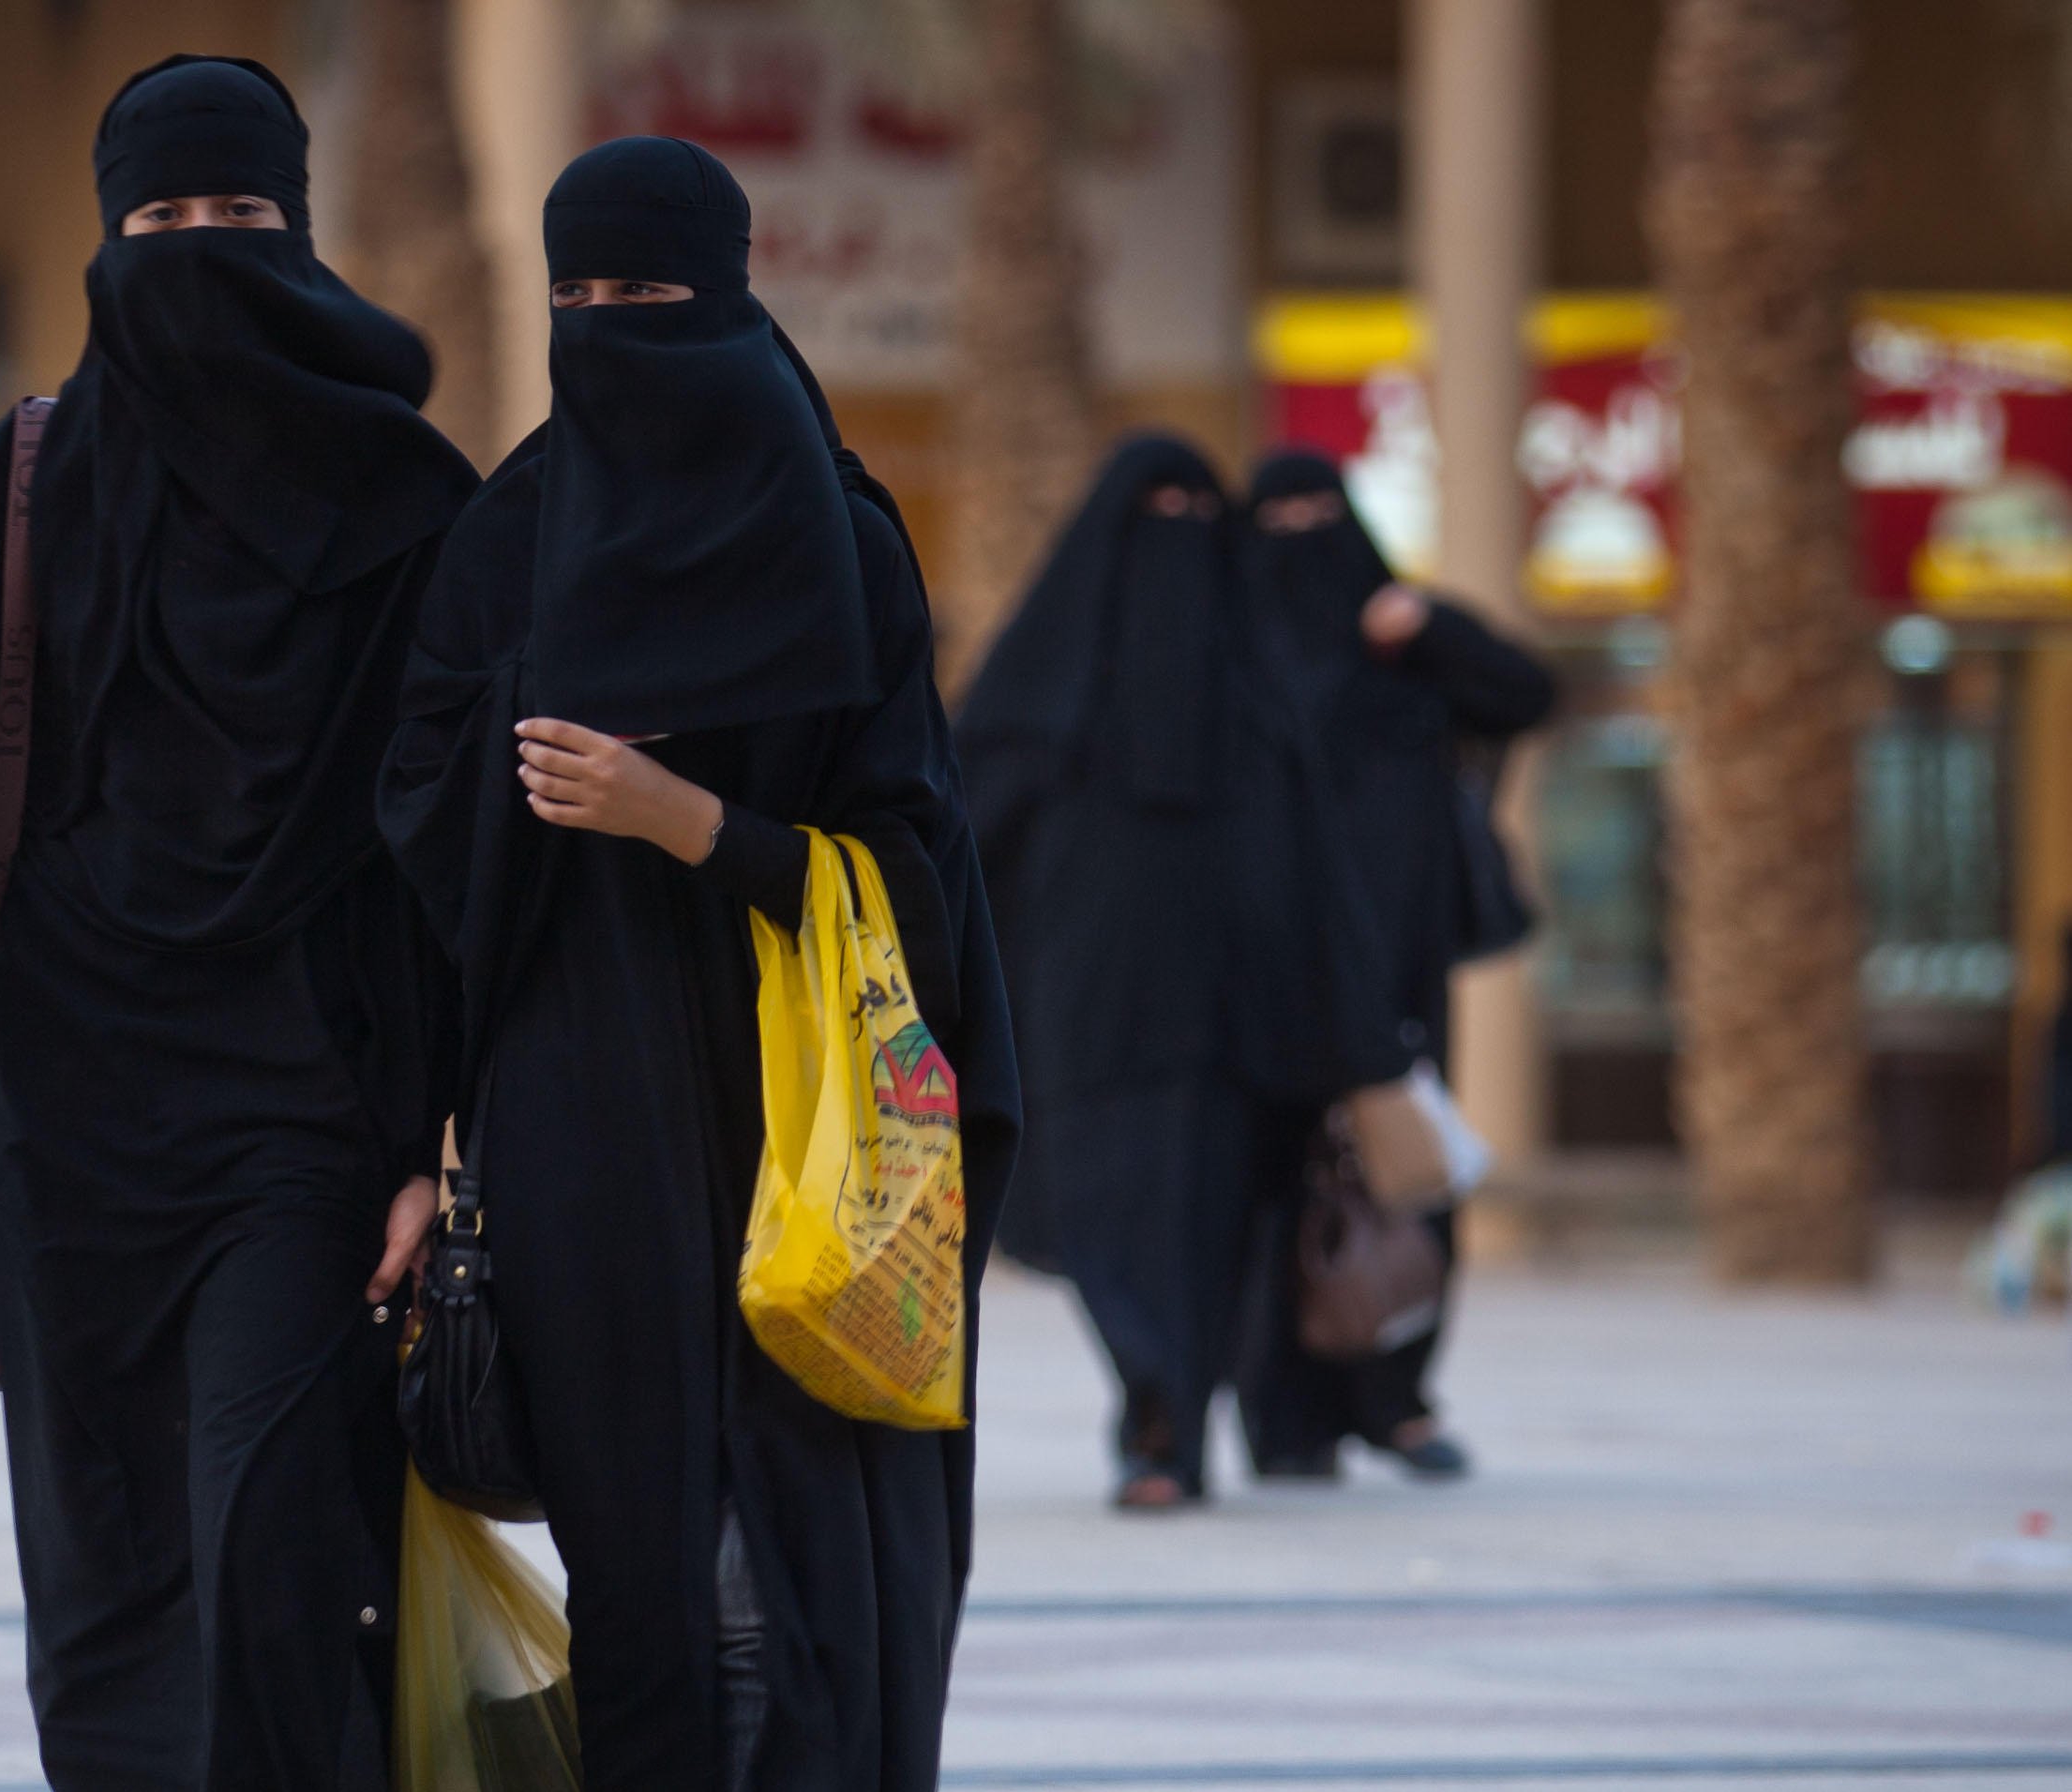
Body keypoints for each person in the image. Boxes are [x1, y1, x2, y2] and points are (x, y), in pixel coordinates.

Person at [0, 55, 474, 1791]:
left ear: (300, 230)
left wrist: (445, 1136)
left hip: (311, 1114)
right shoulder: (38, 470)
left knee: (279, 1541)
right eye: (158, 221)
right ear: (101, 240)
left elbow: (453, 865)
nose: (197, 252)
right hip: (81, 1112)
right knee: (106, 1572)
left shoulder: (420, 504)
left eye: (237, 217)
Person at [379, 137, 1019, 1792]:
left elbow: (920, 883)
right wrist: (408, 1145)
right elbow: (415, 862)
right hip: (577, 1139)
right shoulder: (503, 547)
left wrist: (688, 821)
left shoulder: (847, 547)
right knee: (643, 1594)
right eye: (575, 296)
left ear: (729, 299)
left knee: (803, 1589)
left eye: (646, 295)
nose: (607, 330)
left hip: (800, 1137)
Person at [954, 436, 1402, 1512]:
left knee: (1216, 1229)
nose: (1179, 537)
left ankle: (1169, 1422)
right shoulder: (1041, 690)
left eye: (1202, 511)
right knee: (1105, 1218)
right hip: (1085, 1014)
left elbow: (1320, 866)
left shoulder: (1261, 689)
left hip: (1239, 1027)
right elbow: (958, 833)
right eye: (1155, 510)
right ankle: (1156, 1402)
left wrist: (1352, 1024)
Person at [1231, 448, 1556, 1483]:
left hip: (1401, 964)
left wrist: (1431, 629)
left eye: (1317, 512)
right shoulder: (1236, 651)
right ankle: (1289, 1418)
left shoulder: (1403, 648)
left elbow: (1526, 693)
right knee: (1279, 1188)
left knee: (1409, 1167)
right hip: (1270, 969)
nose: (1298, 535)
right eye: (1273, 517)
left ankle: (1398, 1399)